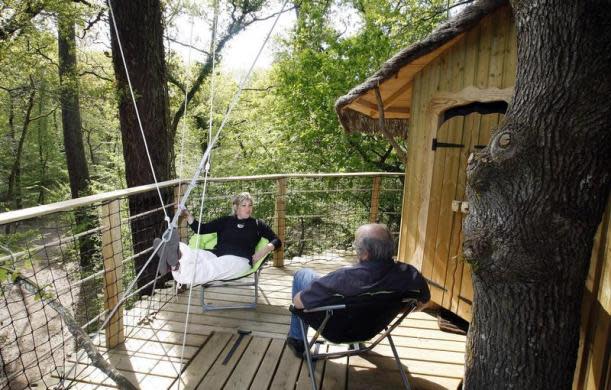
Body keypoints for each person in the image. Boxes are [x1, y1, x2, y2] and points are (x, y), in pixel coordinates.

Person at [285, 223, 430, 356]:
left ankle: (297, 340)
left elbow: (298, 303)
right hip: (371, 329)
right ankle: (357, 337)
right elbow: (423, 302)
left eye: (356, 244)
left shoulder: (342, 278)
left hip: (336, 332)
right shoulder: (410, 275)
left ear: (365, 253)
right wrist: (389, 307)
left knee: (302, 275)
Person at [154, 192, 281, 286]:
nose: (248, 208)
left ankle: (175, 266)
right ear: (236, 207)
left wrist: (265, 250)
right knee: (193, 254)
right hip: (216, 254)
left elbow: (276, 240)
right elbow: (201, 229)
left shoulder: (257, 224)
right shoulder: (225, 221)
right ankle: (175, 255)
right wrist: (187, 215)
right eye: (244, 205)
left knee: (211, 268)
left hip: (240, 260)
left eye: (250, 205)